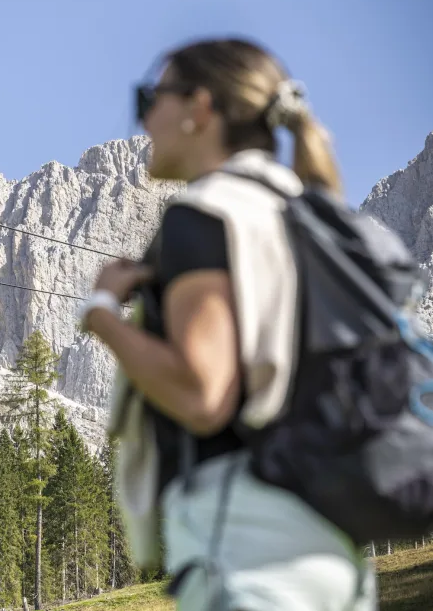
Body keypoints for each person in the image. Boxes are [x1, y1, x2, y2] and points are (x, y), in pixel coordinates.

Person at [80, 37, 378, 610]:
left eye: (150, 97)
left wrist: (100, 315)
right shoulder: (311, 214)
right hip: (333, 551)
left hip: (247, 548)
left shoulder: (206, 214)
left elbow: (203, 394)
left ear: (199, 108)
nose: (142, 119)